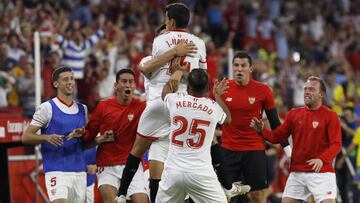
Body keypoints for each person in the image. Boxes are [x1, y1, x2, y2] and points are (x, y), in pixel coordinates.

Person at [117, 3, 207, 203]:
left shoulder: (167, 46)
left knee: (172, 166)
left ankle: (122, 193)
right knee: (158, 169)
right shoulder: (153, 57)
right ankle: (125, 194)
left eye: (167, 26)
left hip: (164, 107)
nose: (166, 31)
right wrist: (175, 52)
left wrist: (178, 66)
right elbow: (146, 67)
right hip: (175, 109)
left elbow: (150, 69)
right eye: (163, 31)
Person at [250, 76, 342, 203]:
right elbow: (278, 136)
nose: (307, 92)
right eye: (305, 89)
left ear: (321, 94)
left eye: (312, 89)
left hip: (321, 173)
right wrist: (262, 131)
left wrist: (322, 159)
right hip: (297, 172)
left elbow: (336, 145)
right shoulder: (294, 114)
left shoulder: (330, 116)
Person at [217, 51, 291, 203]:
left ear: (250, 69)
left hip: (254, 150)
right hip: (228, 150)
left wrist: (289, 152)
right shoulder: (221, 89)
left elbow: (275, 123)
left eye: (243, 65)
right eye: (236, 65)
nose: (239, 69)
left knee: (257, 196)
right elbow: (209, 119)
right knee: (223, 197)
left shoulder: (263, 91)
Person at [155, 68, 231, 202]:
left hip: (173, 172)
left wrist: (176, 74)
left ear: (188, 87)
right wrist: (217, 96)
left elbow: (165, 94)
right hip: (201, 173)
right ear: (207, 89)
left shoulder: (175, 101)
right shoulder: (213, 108)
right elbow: (228, 118)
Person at [81, 69, 149, 203]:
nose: (128, 85)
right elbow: (88, 138)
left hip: (132, 165)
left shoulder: (141, 107)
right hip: (107, 166)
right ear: (116, 85)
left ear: (135, 86)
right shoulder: (103, 106)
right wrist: (91, 135)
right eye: (124, 81)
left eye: (131, 82)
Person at [22, 67, 88, 203]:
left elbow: (86, 141)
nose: (70, 82)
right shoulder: (47, 107)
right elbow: (26, 137)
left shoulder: (83, 109)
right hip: (56, 169)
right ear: (56, 84)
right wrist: (46, 137)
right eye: (65, 79)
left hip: (79, 170)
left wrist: (83, 134)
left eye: (72, 78)